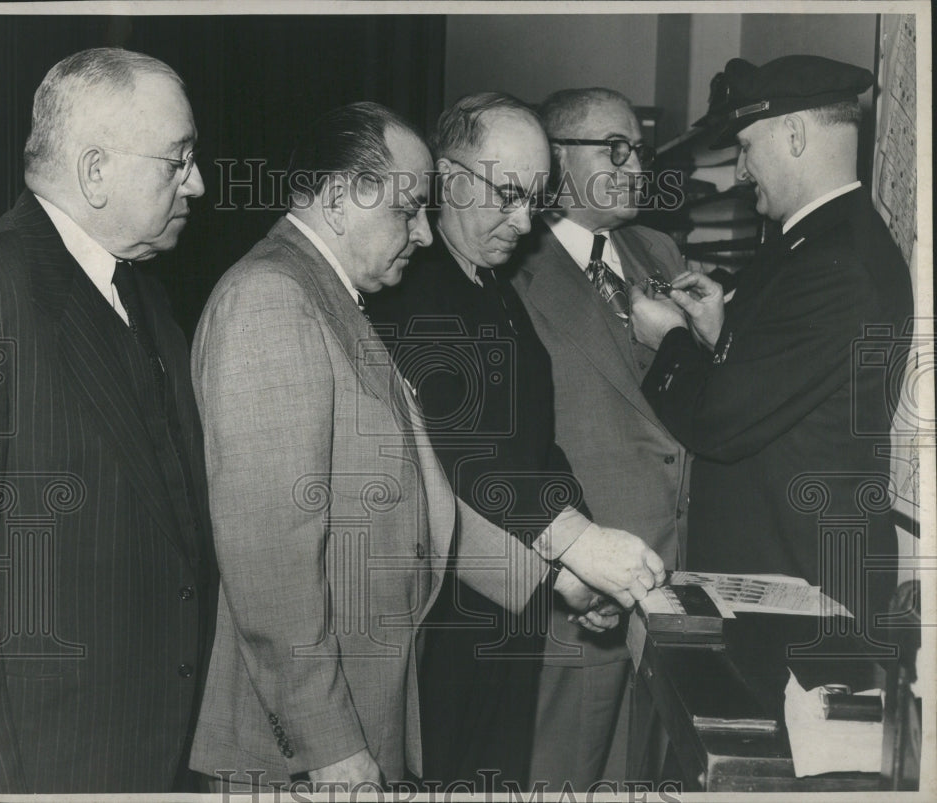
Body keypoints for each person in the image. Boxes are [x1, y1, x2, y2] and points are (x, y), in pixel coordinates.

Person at [189, 101, 663, 793]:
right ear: (344, 195)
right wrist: (327, 744)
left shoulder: (331, 296)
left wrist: (558, 575)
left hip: (362, 706)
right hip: (304, 741)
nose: (421, 231)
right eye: (410, 209)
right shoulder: (270, 297)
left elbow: (422, 503)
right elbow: (273, 568)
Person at [367, 92, 666, 790]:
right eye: (507, 194)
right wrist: (577, 543)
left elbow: (535, 442)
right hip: (435, 630)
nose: (524, 220)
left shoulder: (492, 283)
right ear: (449, 177)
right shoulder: (412, 290)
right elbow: (464, 447)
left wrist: (573, 569)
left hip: (505, 616)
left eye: (534, 198)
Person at [0, 48, 215, 793]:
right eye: (178, 158)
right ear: (96, 171)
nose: (196, 181)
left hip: (152, 747)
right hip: (42, 765)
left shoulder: (148, 298)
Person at [630, 55, 914, 635]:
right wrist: (718, 331)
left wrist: (671, 338)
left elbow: (719, 421)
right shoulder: (812, 240)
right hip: (778, 573)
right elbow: (785, 373)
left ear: (793, 133)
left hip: (803, 585)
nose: (739, 170)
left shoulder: (837, 264)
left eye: (745, 146)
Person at [506, 87, 690, 790]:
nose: (635, 163)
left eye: (637, 148)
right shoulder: (511, 265)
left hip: (668, 578)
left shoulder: (660, 251)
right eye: (613, 148)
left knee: (638, 771)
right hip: (577, 585)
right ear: (554, 160)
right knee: (560, 771)